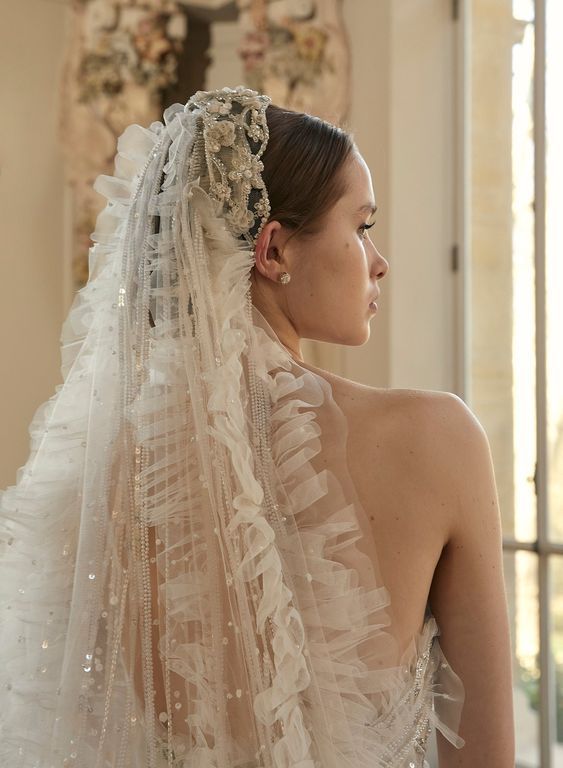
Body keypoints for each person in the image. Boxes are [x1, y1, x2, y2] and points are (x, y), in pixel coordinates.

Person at [0, 86, 514, 767]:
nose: (378, 260)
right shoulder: (437, 439)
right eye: (360, 228)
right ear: (272, 251)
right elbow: (485, 755)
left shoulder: (97, 480)